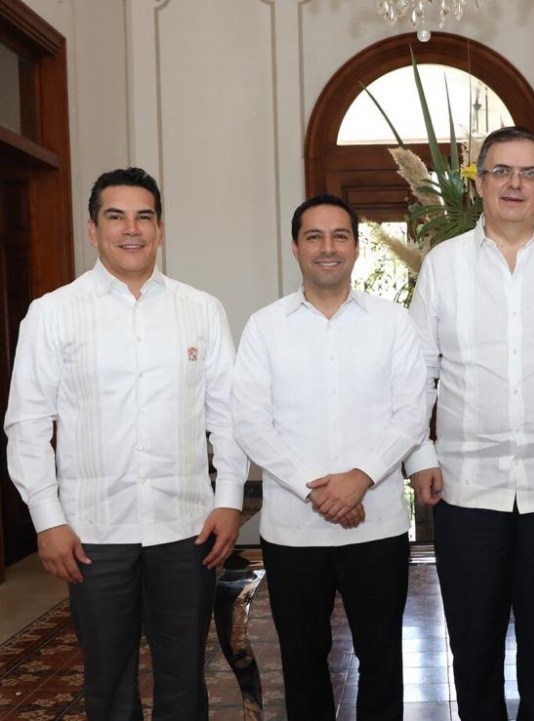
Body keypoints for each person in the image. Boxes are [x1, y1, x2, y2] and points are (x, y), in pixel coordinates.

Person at [3, 167, 248, 721]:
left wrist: (229, 498)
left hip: (185, 528)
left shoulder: (201, 309)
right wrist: (47, 518)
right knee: (108, 684)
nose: (131, 229)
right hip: (93, 532)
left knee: (185, 680)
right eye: (116, 217)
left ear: (160, 229)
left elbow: (229, 415)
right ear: (93, 230)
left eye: (144, 217)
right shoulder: (52, 313)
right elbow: (27, 424)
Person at [406, 125, 534, 720]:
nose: (514, 184)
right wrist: (420, 455)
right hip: (467, 490)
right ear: (479, 183)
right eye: (501, 171)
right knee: (473, 649)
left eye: (528, 173)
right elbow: (417, 373)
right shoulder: (443, 265)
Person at [232, 193, 426, 721]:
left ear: (356, 248)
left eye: (340, 236)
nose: (327, 247)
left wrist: (360, 477)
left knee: (382, 660)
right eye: (314, 236)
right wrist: (314, 488)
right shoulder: (265, 326)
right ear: (295, 247)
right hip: (294, 531)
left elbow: (412, 411)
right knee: (302, 664)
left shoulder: (392, 322)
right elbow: (250, 421)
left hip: (377, 525)